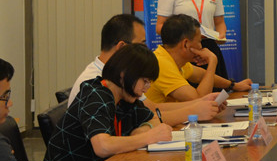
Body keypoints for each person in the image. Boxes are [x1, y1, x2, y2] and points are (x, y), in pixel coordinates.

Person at [39, 44, 174, 161]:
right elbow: (102, 146)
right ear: (124, 74)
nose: (146, 88)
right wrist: (148, 137)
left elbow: (153, 119)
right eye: (145, 81)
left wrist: (144, 129)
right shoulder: (96, 95)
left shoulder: (125, 97)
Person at [67, 14, 222, 125]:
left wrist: (200, 104)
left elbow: (151, 109)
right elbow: (103, 145)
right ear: (122, 47)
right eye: (141, 44)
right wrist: (193, 110)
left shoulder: (120, 74)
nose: (146, 50)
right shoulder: (94, 82)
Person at [147, 14, 252, 104]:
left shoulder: (172, 58)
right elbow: (199, 100)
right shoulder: (162, 64)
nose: (201, 47)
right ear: (186, 44)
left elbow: (201, 75)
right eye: (199, 41)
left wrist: (234, 85)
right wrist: (212, 61)